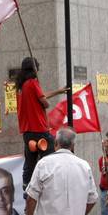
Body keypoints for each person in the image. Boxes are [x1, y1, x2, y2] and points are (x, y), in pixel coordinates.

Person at [14, 57, 69, 191]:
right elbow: (44, 101)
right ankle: (51, 185)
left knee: (30, 161)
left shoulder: (21, 87)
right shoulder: (33, 82)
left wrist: (58, 91)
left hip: (28, 132)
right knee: (50, 158)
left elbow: (41, 95)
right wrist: (44, 103)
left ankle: (27, 186)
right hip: (39, 129)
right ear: (34, 69)